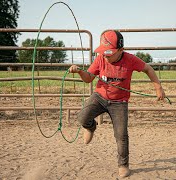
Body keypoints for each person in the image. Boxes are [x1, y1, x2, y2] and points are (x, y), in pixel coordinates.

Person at [69, 30, 166, 178]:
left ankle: (123, 165)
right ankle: (91, 127)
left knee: (121, 135)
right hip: (99, 97)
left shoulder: (130, 60)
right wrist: (80, 72)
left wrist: (158, 87)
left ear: (121, 50)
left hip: (119, 103)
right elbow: (89, 78)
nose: (106, 55)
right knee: (82, 117)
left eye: (109, 52)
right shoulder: (101, 59)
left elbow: (148, 69)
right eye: (104, 52)